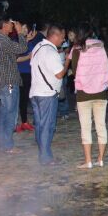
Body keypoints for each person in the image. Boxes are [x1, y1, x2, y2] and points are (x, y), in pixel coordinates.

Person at [71, 26, 108, 169]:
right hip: (101, 92)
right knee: (101, 126)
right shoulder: (101, 48)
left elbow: (75, 71)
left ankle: (88, 160)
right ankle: (100, 159)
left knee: (86, 127)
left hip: (84, 94)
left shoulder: (77, 50)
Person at [29, 25, 67, 165]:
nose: (63, 41)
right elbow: (59, 74)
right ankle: (45, 157)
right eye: (62, 38)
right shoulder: (51, 52)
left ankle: (43, 153)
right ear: (55, 36)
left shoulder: (38, 46)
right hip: (47, 94)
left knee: (40, 125)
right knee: (47, 126)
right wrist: (67, 61)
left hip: (35, 92)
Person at [0, 15, 29, 154]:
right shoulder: (1, 40)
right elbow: (22, 48)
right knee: (10, 112)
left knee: (4, 112)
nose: (13, 25)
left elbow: (15, 55)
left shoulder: (1, 40)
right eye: (11, 23)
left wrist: (23, 36)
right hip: (8, 82)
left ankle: (3, 143)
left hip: (6, 81)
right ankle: (8, 145)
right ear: (4, 25)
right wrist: (20, 33)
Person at [16, 26, 43, 133]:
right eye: (23, 28)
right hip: (21, 72)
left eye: (27, 28)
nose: (26, 30)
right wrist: (29, 56)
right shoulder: (18, 42)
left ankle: (25, 121)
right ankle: (22, 122)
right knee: (22, 98)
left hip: (30, 72)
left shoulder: (31, 42)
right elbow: (16, 59)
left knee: (26, 98)